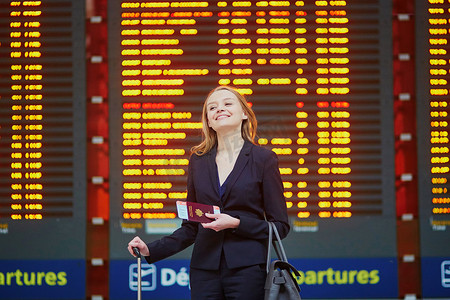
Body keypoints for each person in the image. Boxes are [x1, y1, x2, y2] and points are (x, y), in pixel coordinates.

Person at [128, 85, 290, 299]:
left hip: (248, 269)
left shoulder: (264, 159)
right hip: (204, 271)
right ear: (209, 121)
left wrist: (236, 222)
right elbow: (191, 227)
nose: (219, 109)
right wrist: (151, 249)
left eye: (227, 103)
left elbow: (280, 226)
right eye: (212, 108)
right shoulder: (198, 161)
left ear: (244, 114)